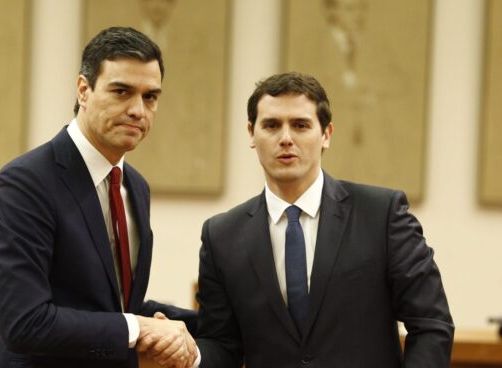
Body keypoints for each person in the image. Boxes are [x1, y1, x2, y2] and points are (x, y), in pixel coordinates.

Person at [194, 72, 454, 367]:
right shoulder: (222, 236)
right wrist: (188, 352)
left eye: (301, 125)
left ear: (326, 134)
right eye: (271, 125)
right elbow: (222, 344)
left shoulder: (381, 215)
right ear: (251, 134)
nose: (286, 138)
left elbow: (431, 323)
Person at [0, 26, 197, 368]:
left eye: (150, 97)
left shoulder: (135, 187)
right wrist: (139, 328)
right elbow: (24, 323)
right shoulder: (24, 182)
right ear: (83, 90)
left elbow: (111, 306)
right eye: (121, 91)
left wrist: (189, 324)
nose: (138, 110)